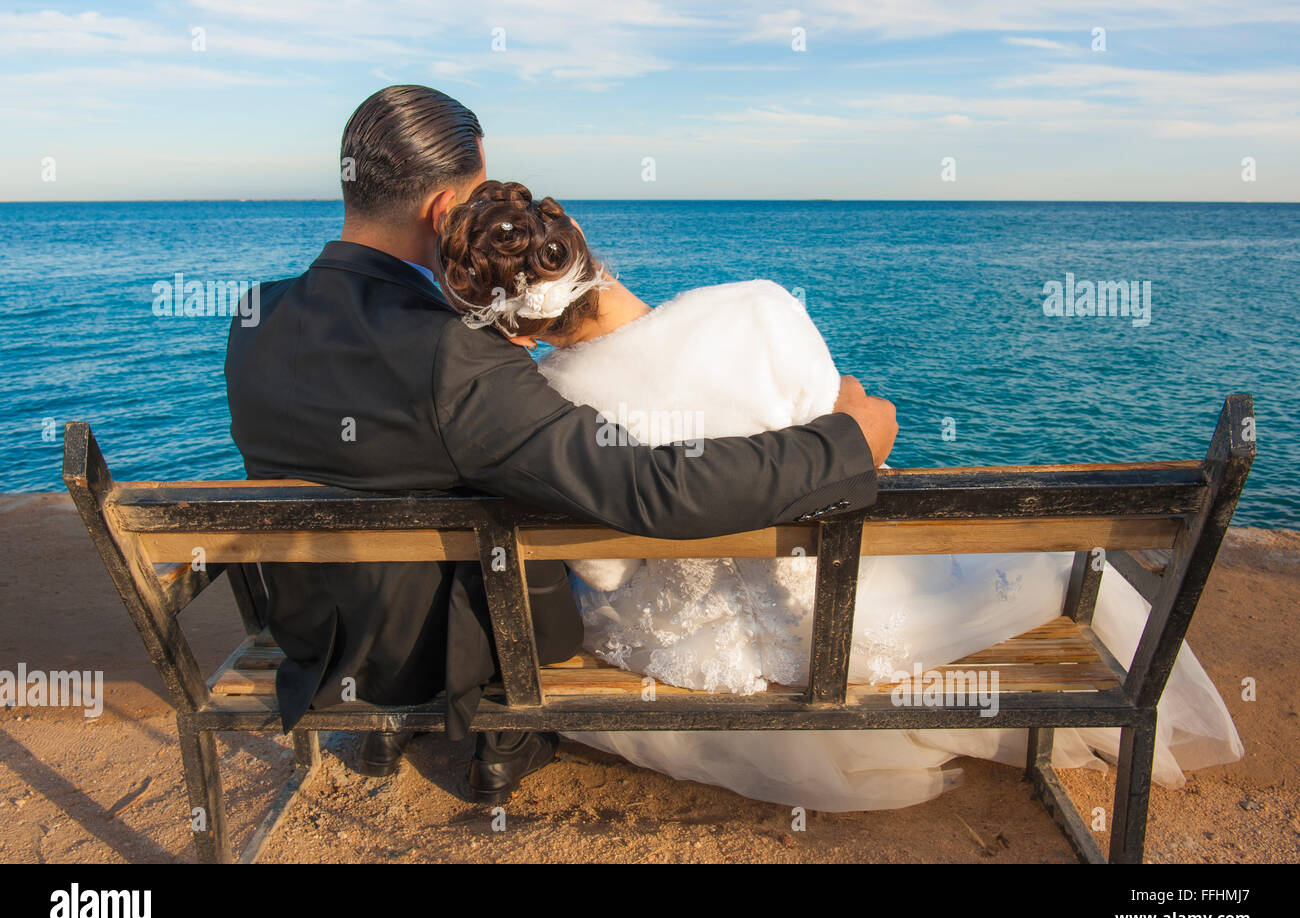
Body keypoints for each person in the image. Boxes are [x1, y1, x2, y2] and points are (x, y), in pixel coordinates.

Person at [432, 179, 1244, 811]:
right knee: (1063, 568)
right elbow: (855, 470)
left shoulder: (554, 403)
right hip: (838, 617)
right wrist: (848, 398)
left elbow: (606, 574)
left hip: (691, 659)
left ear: (511, 328)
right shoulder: (756, 307)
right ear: (577, 238)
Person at [223, 86, 897, 804]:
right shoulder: (455, 355)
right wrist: (844, 444)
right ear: (442, 211)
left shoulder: (255, 314)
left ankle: (387, 719)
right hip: (426, 654)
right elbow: (650, 487)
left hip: (315, 638)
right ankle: (509, 731)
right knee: (539, 509)